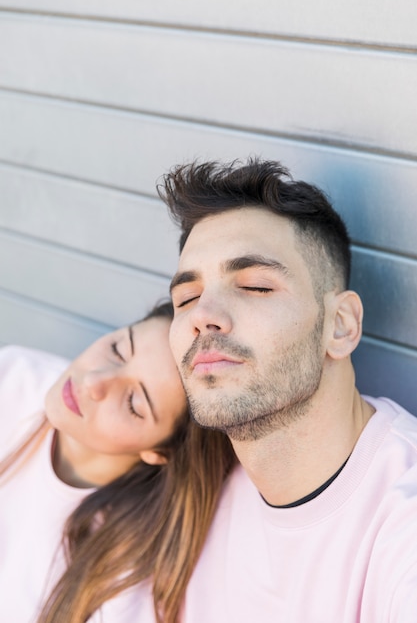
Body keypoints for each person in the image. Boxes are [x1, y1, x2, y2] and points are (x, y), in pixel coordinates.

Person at [159, 158, 417, 622]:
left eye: (255, 286)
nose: (203, 314)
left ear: (340, 325)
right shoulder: (196, 487)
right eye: (187, 298)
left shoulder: (402, 524)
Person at [0, 300, 236, 623]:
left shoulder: (126, 581)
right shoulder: (12, 376)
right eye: (118, 349)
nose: (94, 381)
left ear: (159, 452)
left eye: (134, 403)